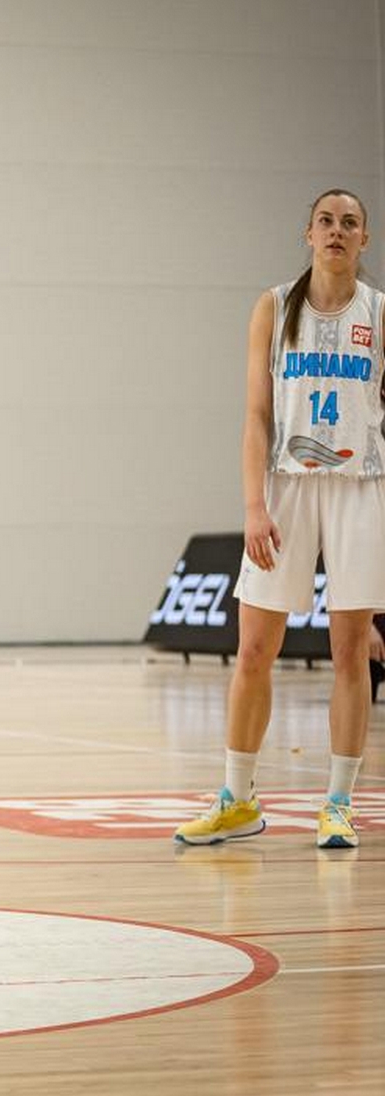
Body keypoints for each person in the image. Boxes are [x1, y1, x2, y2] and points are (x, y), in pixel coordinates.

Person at [176, 189, 377, 850]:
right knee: (255, 648)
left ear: (365, 239)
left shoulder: (379, 313)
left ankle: (339, 804)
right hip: (286, 485)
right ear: (308, 234)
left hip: (359, 485)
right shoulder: (274, 305)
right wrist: (254, 506)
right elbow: (257, 416)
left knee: (350, 651)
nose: (337, 231)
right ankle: (237, 799)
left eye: (350, 223)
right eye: (326, 221)